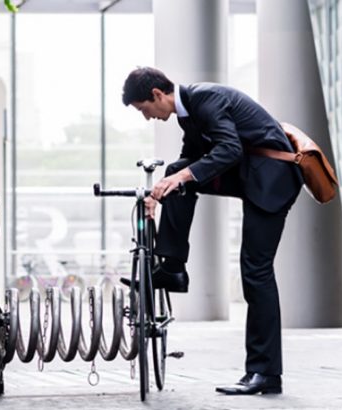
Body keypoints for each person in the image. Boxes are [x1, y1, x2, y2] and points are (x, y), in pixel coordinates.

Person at [122, 66, 303, 396]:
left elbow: (230, 149)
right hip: (252, 174)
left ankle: (265, 373)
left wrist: (179, 178)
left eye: (144, 109)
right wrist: (160, 192)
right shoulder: (188, 112)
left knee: (256, 272)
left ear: (157, 95)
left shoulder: (206, 99)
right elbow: (188, 161)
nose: (146, 117)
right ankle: (173, 268)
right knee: (178, 174)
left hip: (272, 179)